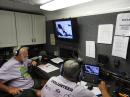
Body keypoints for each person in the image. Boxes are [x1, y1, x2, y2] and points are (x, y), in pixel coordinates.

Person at [41, 59, 111, 97]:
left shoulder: (52, 79)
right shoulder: (78, 90)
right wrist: (103, 90)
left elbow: (41, 93)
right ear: (80, 75)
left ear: (61, 70)